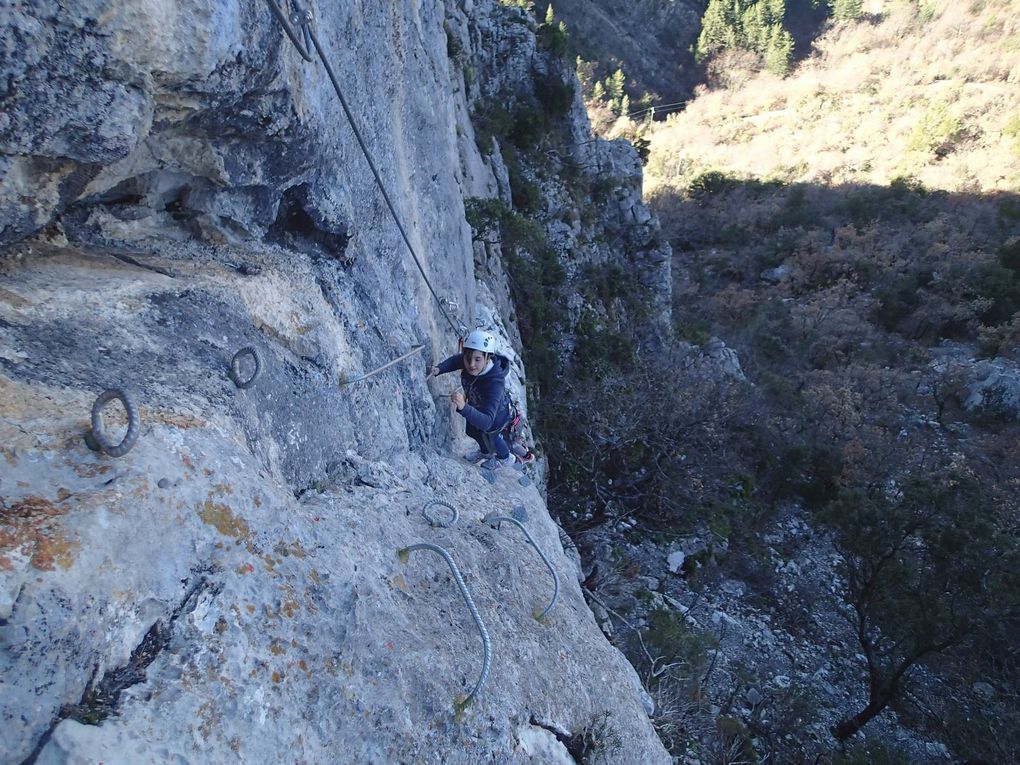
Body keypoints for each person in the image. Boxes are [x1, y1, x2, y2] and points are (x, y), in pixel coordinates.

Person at [426, 330, 515, 469]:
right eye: (468, 358)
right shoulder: (468, 359)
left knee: (491, 436)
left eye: (477, 359)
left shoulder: (494, 382)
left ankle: (505, 458)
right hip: (477, 406)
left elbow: (486, 422)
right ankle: (485, 452)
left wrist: (464, 408)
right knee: (472, 431)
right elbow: (456, 361)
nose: (471, 364)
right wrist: (439, 369)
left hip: (495, 416)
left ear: (487, 358)